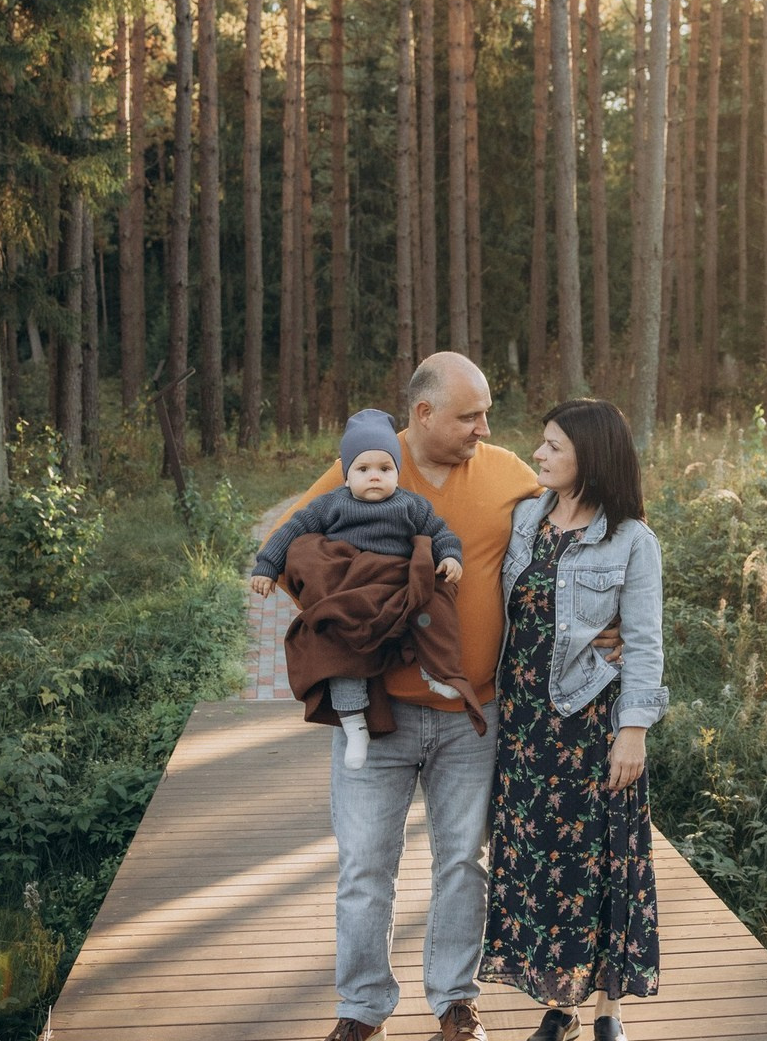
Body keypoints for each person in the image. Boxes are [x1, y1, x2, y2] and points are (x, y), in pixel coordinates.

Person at [272, 354, 619, 1041]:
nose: (484, 428)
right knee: (366, 863)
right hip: (377, 713)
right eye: (469, 416)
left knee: (464, 860)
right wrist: (351, 616)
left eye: (485, 413)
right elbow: (290, 553)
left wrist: (612, 615)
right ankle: (362, 1008)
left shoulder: (504, 474)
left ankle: (455, 1000)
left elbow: (581, 525)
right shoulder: (367, 465)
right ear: (422, 414)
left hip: (473, 714)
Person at [480, 398, 668, 1041]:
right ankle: (559, 1004)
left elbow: (643, 643)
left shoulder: (632, 539)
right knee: (542, 865)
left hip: (588, 725)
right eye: (542, 443)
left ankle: (606, 1012)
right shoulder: (526, 516)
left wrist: (633, 730)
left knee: (601, 865)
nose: (539, 455)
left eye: (554, 445)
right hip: (525, 725)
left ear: (591, 454)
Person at [251, 408, 478, 771]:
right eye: (363, 469)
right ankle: (354, 724)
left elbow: (440, 533)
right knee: (340, 649)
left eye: (385, 469)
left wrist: (451, 556)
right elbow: (290, 532)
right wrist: (266, 566)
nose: (375, 477)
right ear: (346, 475)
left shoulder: (411, 505)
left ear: (397, 474)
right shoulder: (331, 505)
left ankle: (438, 671)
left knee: (437, 609)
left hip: (400, 592)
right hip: (354, 594)